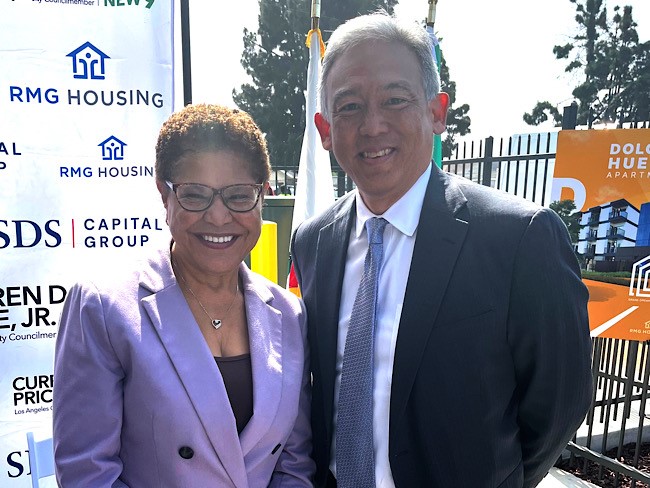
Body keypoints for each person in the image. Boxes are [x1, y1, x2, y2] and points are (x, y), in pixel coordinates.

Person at [290, 11, 592, 488]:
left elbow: (558, 407)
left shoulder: (519, 239)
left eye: (395, 99)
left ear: (437, 111)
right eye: (349, 107)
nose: (372, 126)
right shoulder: (312, 240)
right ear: (325, 130)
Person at [53, 104, 315, 487]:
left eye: (240, 196)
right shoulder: (104, 308)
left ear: (263, 195)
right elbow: (87, 473)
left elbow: (294, 465)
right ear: (164, 194)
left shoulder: (289, 315)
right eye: (195, 195)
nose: (219, 217)